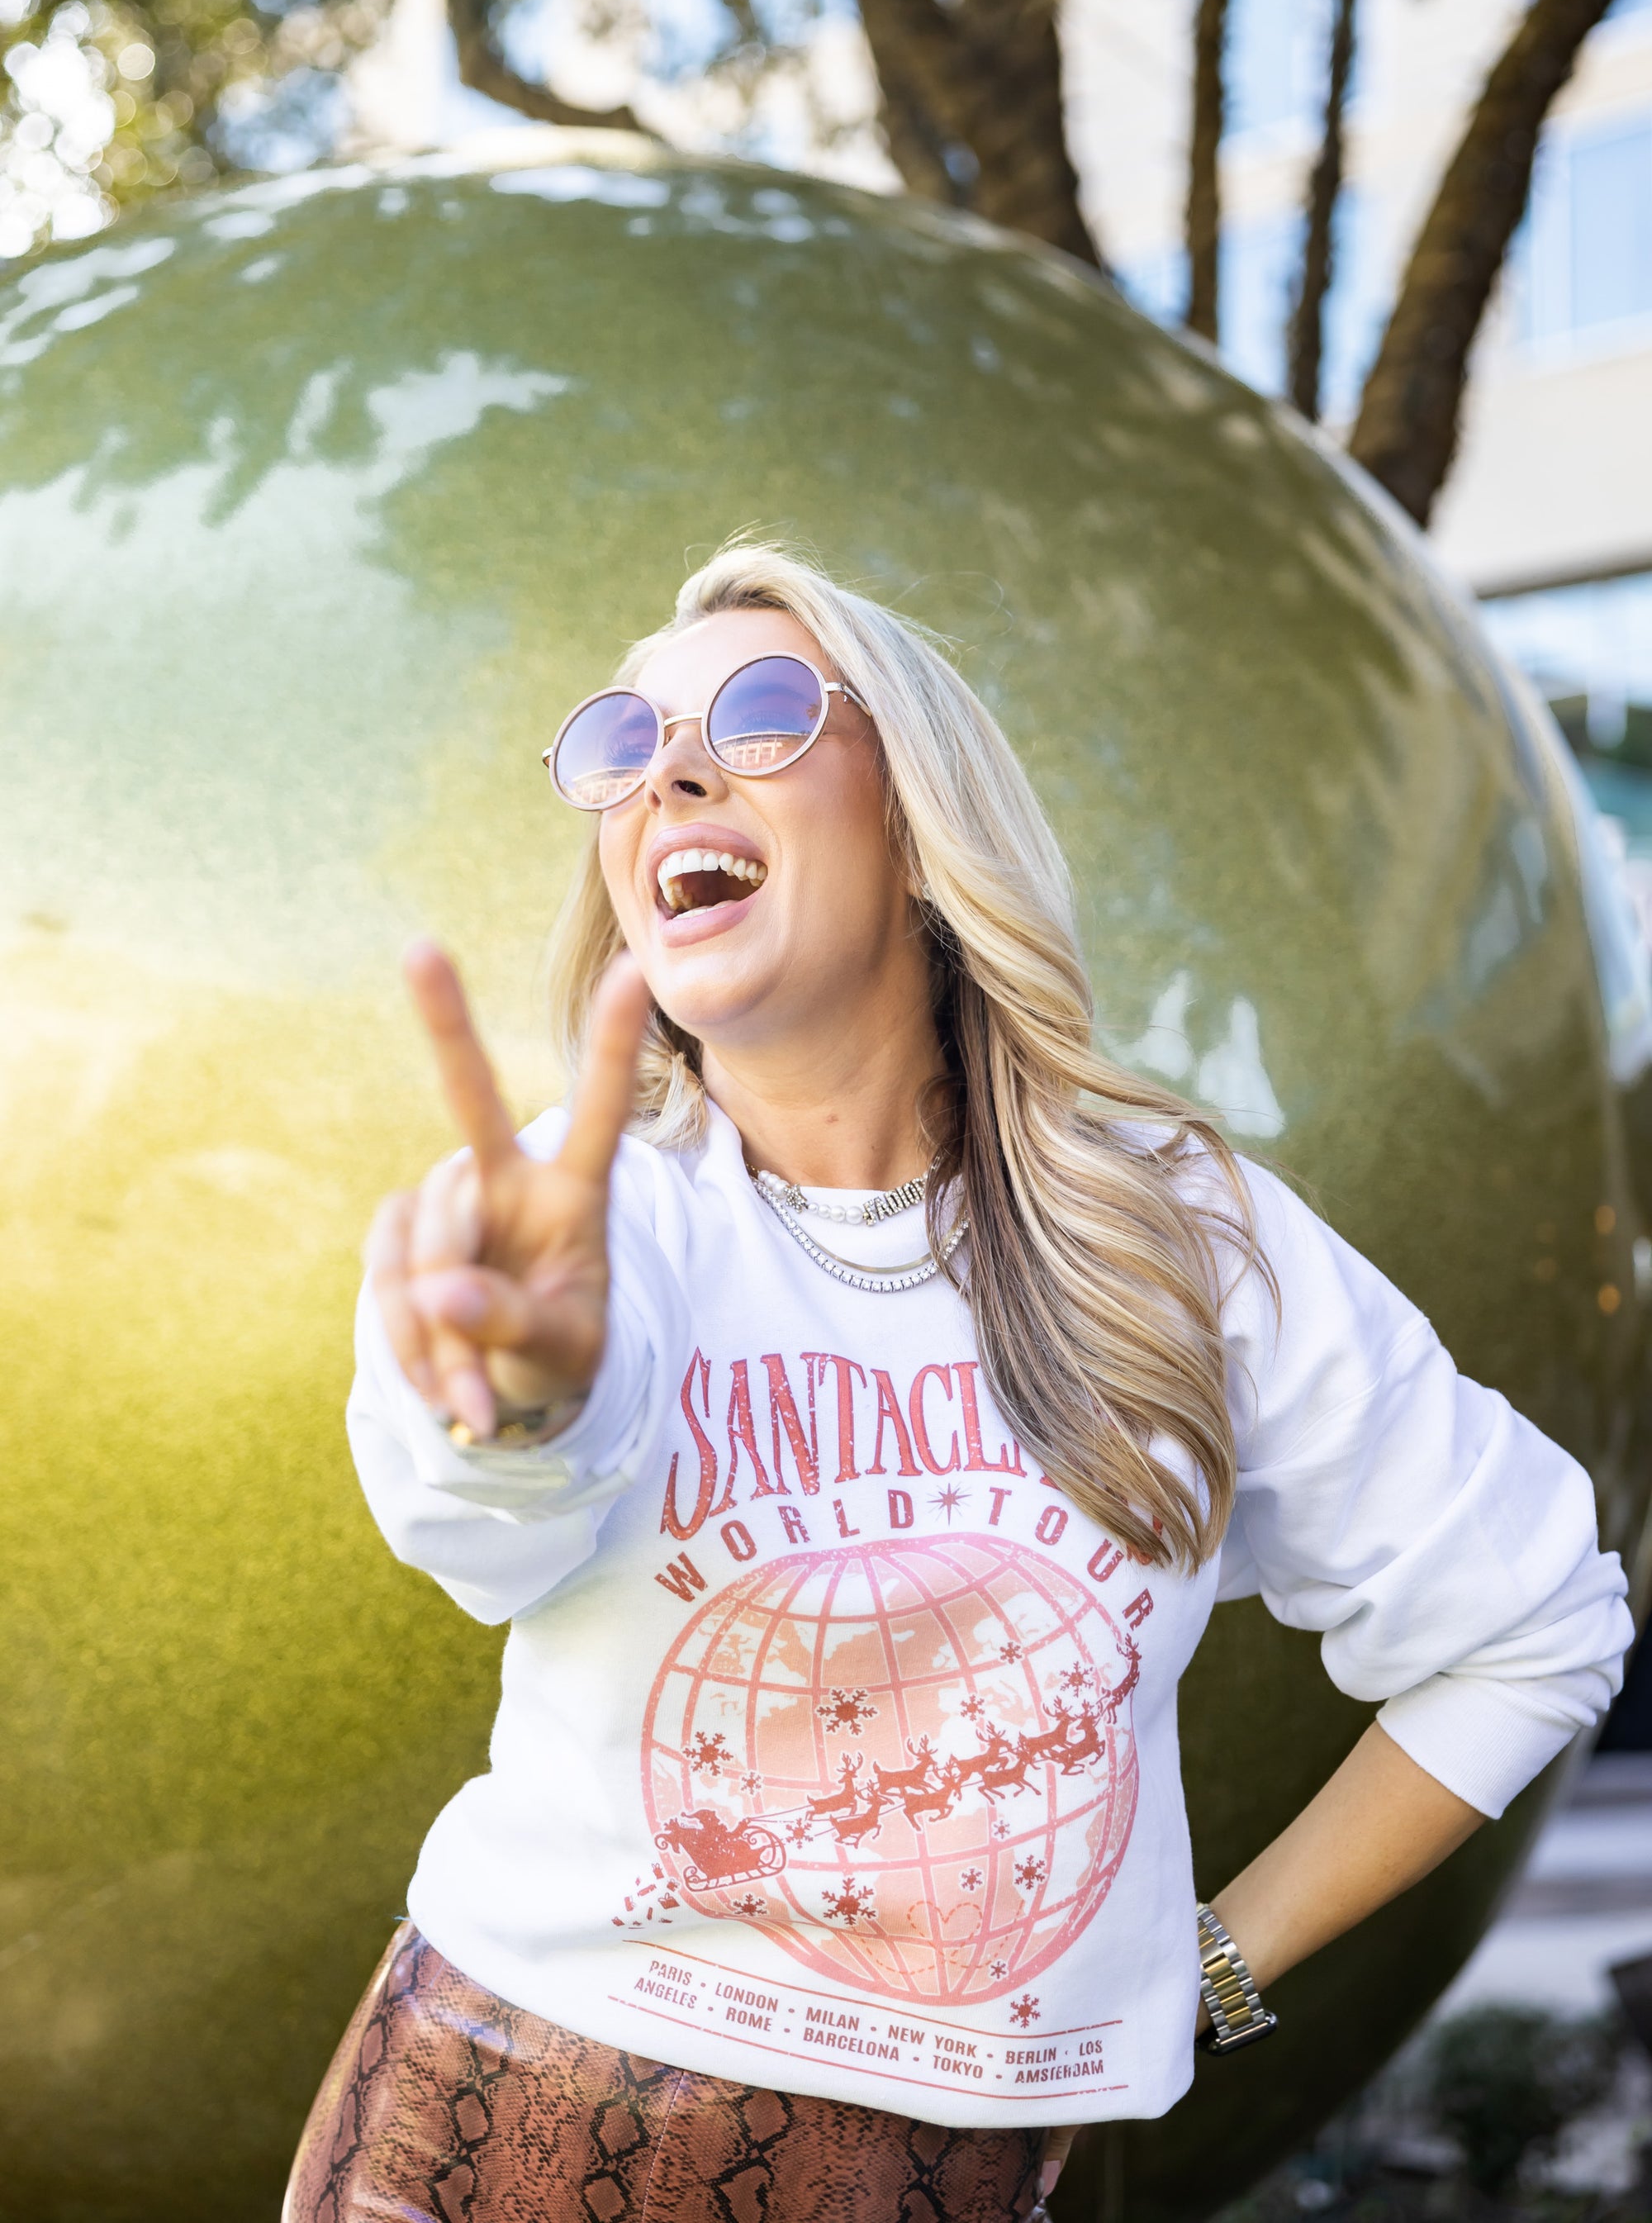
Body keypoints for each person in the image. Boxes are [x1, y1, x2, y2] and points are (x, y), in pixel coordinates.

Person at [287, 540, 1631, 2223]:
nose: (672, 772)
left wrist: (1202, 1969)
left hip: (941, 2185)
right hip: (493, 2127)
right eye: (625, 746)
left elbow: (1535, 1627)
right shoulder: (589, 1221)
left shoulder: (1177, 1240)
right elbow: (479, 1528)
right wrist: (515, 1405)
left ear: (920, 828)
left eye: (761, 714)